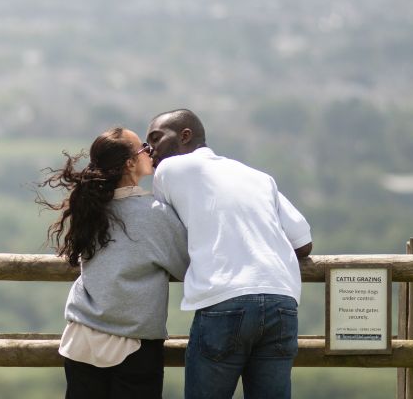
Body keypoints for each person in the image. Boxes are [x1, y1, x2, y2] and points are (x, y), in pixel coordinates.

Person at [146, 109, 313, 399]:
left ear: (185, 135)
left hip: (224, 298)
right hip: (282, 300)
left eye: (155, 139)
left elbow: (166, 234)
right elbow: (303, 243)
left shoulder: (169, 170)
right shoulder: (258, 177)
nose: (149, 150)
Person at [38, 127, 189, 399]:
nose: (150, 151)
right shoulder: (155, 214)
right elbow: (184, 267)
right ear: (130, 163)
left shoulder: (90, 209)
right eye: (144, 147)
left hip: (81, 337)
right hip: (134, 344)